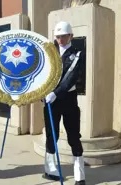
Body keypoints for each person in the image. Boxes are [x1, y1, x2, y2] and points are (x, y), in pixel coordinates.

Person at [42, 21, 85, 185]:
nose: (60, 40)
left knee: (74, 136)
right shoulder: (49, 52)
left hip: (68, 100)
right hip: (50, 102)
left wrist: (55, 93)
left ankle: (79, 174)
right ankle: (50, 169)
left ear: (70, 36)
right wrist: (42, 93)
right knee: (51, 135)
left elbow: (71, 78)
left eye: (63, 37)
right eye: (57, 37)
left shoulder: (77, 54)